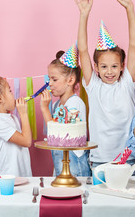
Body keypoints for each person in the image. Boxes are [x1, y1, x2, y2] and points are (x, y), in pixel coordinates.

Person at [75, 0, 135, 167]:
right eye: (103, 67)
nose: (109, 71)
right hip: (99, 159)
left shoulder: (127, 83)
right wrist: (84, 15)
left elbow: (134, 45)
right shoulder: (93, 86)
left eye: (114, 66)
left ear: (122, 67)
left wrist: (130, 9)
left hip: (128, 158)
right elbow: (82, 50)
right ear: (95, 67)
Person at [40, 44, 91, 176]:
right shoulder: (57, 105)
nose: (49, 83)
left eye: (54, 79)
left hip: (75, 167)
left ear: (70, 80)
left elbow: (59, 135)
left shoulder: (75, 103)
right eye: (49, 78)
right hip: (61, 165)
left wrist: (45, 109)